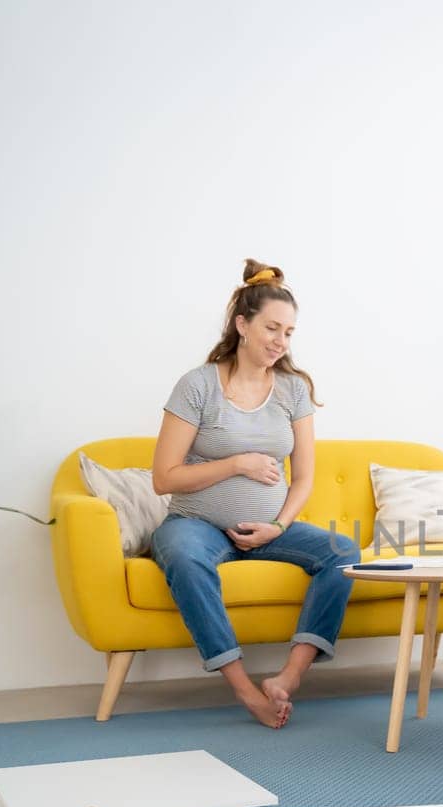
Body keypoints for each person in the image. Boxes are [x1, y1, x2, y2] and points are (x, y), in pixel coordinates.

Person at [150, 259, 360, 728]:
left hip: (270, 528)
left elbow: (304, 476)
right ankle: (246, 692)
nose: (280, 341)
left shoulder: (293, 389)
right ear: (242, 324)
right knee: (184, 557)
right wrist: (237, 463)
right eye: (271, 328)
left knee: (342, 552)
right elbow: (163, 478)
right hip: (195, 526)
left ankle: (289, 676)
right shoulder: (198, 385)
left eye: (288, 332)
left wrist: (279, 527)